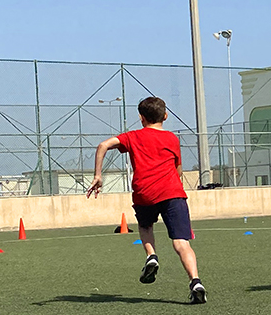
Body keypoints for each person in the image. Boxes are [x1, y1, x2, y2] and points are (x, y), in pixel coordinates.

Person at [87, 96, 206, 304]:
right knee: (181, 242)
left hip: (145, 192)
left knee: (145, 226)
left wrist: (98, 175)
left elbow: (103, 145)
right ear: (165, 116)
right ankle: (195, 281)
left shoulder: (133, 136)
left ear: (141, 117)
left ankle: (151, 255)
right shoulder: (172, 139)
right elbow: (178, 170)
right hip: (172, 193)